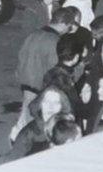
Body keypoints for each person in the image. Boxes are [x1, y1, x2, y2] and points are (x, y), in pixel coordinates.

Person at [11, 8, 76, 143]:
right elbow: (54, 67)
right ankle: (19, 143)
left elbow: (21, 56)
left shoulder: (34, 34)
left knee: (25, 114)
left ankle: (16, 137)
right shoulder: (54, 41)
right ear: (64, 23)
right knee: (33, 120)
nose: (68, 30)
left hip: (26, 83)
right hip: (40, 86)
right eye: (69, 27)